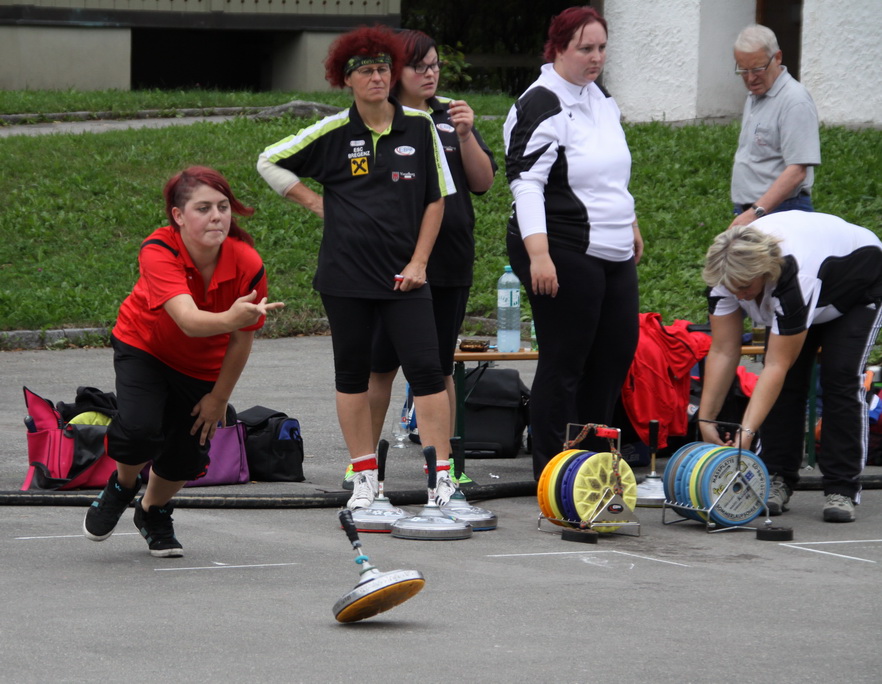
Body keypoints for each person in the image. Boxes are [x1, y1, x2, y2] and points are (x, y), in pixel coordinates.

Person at [256, 25, 458, 510]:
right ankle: (365, 479)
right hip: (345, 277)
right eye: (366, 71)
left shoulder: (420, 125)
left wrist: (419, 262)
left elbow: (437, 199)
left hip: (405, 278)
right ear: (345, 79)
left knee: (428, 372)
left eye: (383, 69)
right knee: (352, 375)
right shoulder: (332, 132)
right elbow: (268, 161)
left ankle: (442, 481)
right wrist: (315, 203)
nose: (377, 78)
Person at [83, 166, 284, 557]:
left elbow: (242, 340)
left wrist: (219, 398)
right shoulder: (159, 250)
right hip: (145, 347)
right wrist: (232, 318)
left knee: (187, 455)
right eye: (203, 208)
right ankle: (122, 486)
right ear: (178, 215)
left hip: (202, 365)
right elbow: (189, 321)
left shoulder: (247, 262)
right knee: (139, 430)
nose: (217, 216)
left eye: (223, 207)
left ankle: (152, 510)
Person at [503, 6, 643, 480]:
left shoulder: (600, 97)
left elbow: (612, 173)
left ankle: (594, 465)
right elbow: (526, 184)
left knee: (615, 355)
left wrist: (630, 222)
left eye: (601, 47)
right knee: (565, 361)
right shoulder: (540, 103)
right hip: (560, 244)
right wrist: (539, 254)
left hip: (613, 246)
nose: (596, 57)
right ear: (558, 48)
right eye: (586, 48)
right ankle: (553, 473)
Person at [353, 29, 497, 487]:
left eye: (435, 65)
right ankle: (362, 463)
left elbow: (483, 182)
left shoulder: (450, 115)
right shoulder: (378, 119)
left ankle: (445, 465)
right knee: (380, 365)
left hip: (450, 261)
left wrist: (467, 135)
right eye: (420, 66)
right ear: (397, 72)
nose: (430, 74)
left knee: (437, 368)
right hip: (392, 262)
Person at [698, 211, 882, 523]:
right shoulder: (724, 279)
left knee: (840, 376)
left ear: (765, 272)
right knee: (788, 384)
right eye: (732, 288)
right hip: (810, 284)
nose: (739, 295)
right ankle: (778, 476)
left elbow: (775, 365)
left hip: (857, 287)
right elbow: (723, 351)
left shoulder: (794, 277)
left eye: (745, 287)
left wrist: (746, 433)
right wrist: (706, 418)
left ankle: (841, 487)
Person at [729, 24, 820, 229]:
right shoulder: (756, 94)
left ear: (777, 58)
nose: (750, 78)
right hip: (755, 211)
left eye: (757, 69)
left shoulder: (794, 100)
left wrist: (755, 212)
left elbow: (797, 171)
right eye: (743, 70)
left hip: (781, 211)